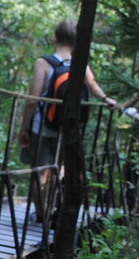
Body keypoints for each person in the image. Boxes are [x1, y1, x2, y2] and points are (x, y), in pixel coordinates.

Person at [19, 20, 116, 222]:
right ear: (75, 41)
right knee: (59, 168)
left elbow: (32, 100)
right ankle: (55, 209)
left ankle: (41, 215)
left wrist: (23, 128)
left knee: (40, 172)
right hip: (68, 126)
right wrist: (106, 100)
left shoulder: (43, 63)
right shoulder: (80, 64)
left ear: (55, 37)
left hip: (43, 125)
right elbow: (92, 86)